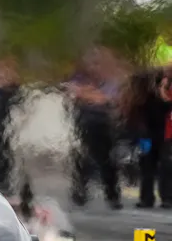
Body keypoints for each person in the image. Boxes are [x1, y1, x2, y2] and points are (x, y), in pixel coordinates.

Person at [65, 48, 123, 209]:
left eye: (97, 63)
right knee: (82, 159)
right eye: (91, 63)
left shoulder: (109, 81)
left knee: (107, 161)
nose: (94, 67)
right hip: (83, 123)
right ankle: (80, 193)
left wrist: (87, 94)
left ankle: (112, 195)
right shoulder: (78, 78)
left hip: (103, 124)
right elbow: (72, 92)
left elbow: (107, 99)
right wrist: (89, 94)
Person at [124, 65, 172, 208]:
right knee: (153, 166)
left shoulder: (152, 96)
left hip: (157, 134)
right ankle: (159, 198)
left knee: (159, 166)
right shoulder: (143, 98)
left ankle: (153, 198)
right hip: (152, 134)